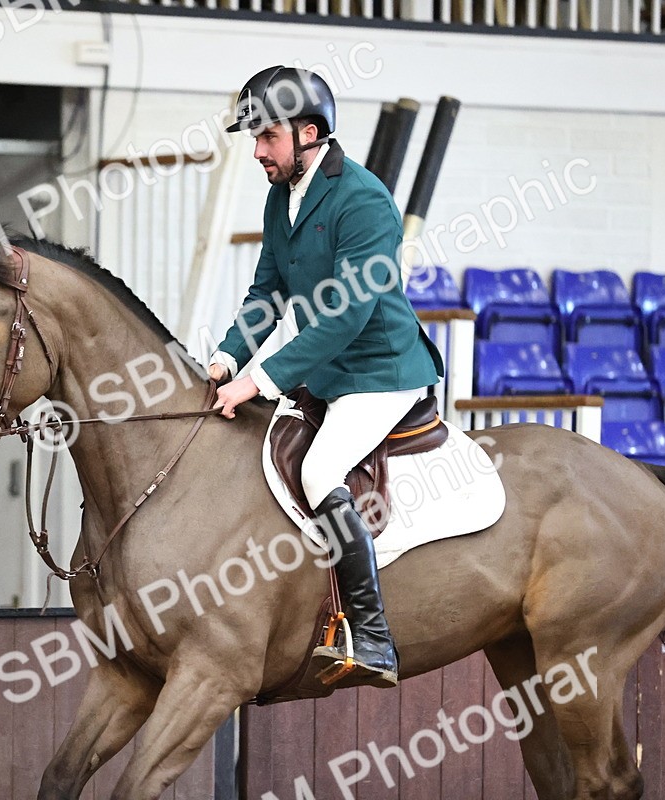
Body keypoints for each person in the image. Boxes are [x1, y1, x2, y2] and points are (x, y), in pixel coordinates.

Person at [208, 65, 445, 688]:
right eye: (254, 137)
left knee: (318, 471)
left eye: (268, 137)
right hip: (328, 370)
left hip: (380, 371)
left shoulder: (364, 200)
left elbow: (345, 316)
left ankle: (372, 636)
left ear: (309, 133)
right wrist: (228, 358)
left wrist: (260, 382)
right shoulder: (282, 193)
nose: (257, 150)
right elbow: (266, 294)